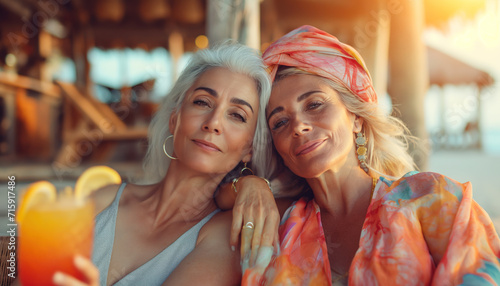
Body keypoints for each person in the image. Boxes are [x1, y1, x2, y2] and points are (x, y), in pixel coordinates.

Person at [219, 25, 500, 285]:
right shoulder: (280, 226)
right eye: (279, 122)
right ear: (276, 147)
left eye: (315, 104)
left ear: (355, 117)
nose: (299, 126)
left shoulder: (429, 197)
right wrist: (248, 183)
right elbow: (205, 196)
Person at [50, 42, 273, 286]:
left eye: (237, 115)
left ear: (249, 148)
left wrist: (251, 184)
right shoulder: (104, 200)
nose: (214, 122)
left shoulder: (222, 236)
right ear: (175, 118)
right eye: (202, 102)